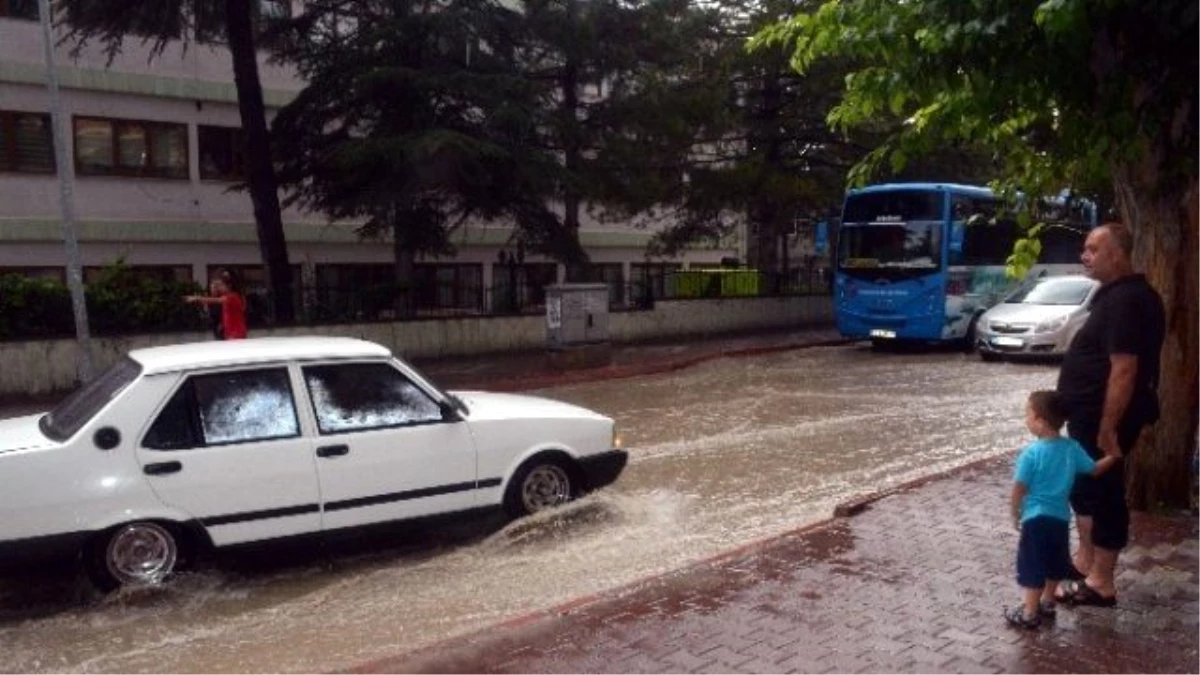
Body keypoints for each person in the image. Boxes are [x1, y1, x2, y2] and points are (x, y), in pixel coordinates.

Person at [1055, 222, 1166, 607]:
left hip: (1106, 419)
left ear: (1116, 254)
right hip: (1089, 415)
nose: (1084, 256)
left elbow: (1125, 369)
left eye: (1092, 249)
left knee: (1104, 492)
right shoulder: (1116, 295)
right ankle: (1088, 562)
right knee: (1084, 487)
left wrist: (1108, 427)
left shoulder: (1128, 301)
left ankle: (1101, 582)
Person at [1006, 390, 1120, 630]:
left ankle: (1029, 613)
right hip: (1059, 518)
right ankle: (1048, 602)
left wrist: (1014, 511)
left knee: (1032, 564)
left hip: (1035, 518)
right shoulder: (1071, 447)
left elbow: (1019, 487)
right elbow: (1093, 469)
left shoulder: (1031, 453)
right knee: (1055, 560)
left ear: (1040, 421)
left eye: (1028, 414)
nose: (1025, 419)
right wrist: (1112, 456)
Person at [185, 270, 248, 340]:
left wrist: (196, 298)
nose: (220, 287)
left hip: (236, 333)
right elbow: (214, 296)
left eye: (222, 285)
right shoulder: (228, 295)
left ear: (229, 286)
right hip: (231, 332)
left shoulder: (232, 296)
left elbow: (215, 300)